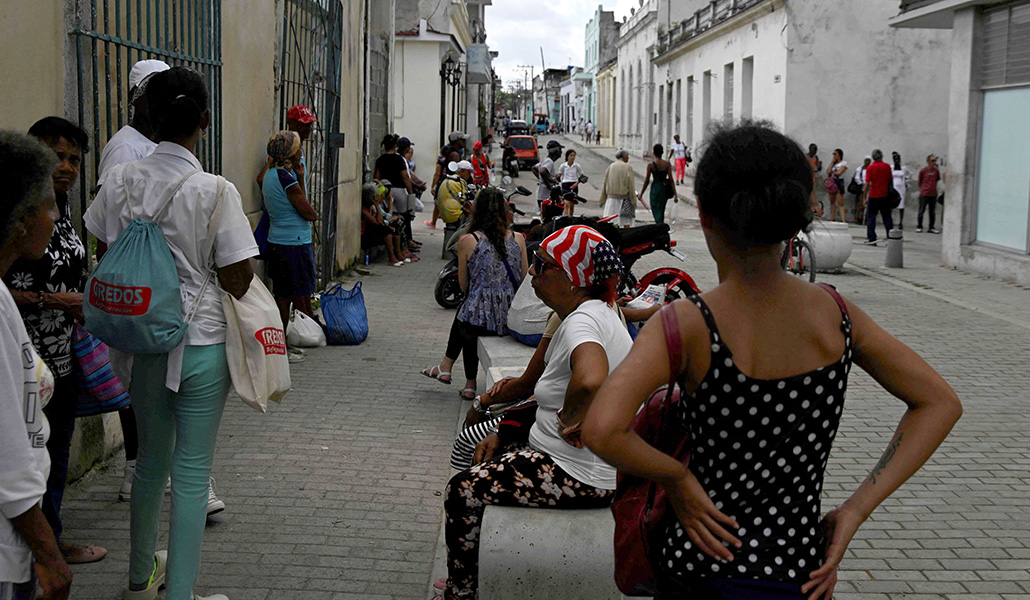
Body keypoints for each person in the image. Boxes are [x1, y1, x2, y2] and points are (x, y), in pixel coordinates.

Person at [582, 121, 962, 600]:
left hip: (701, 568)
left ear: (705, 215)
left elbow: (601, 430)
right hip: (800, 572)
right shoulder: (839, 316)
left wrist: (676, 476)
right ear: (797, 218)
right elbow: (940, 402)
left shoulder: (686, 324)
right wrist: (854, 510)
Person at [85, 66, 257, 600]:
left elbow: (103, 251)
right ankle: (180, 593)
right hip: (201, 344)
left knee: (148, 467)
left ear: (148, 117)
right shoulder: (215, 190)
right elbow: (238, 276)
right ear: (204, 119)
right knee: (190, 473)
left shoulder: (119, 180)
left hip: (140, 345)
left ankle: (139, 578)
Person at [436, 225, 632, 600]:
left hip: (577, 472)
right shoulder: (588, 312)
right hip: (569, 459)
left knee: (461, 491)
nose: (531, 273)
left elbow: (590, 378)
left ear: (574, 279)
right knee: (478, 451)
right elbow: (538, 388)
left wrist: (571, 419)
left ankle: (460, 594)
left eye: (542, 266)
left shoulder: (583, 321)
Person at [4, 118, 109, 566]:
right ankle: (35, 551)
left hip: (60, 360)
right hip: (18, 359)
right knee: (21, 456)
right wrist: (54, 300)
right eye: (56, 155)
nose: (65, 166)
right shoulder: (15, 215)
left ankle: (52, 536)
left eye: (74, 159)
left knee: (54, 455)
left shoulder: (62, 211)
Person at [0, 130, 73, 600]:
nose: (54, 215)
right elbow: (8, 453)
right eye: (48, 206)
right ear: (23, 221)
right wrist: (49, 554)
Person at [96, 59, 170, 506]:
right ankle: (140, 472)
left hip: (153, 281)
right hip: (135, 282)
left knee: (147, 382)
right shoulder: (126, 149)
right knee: (139, 382)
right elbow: (109, 223)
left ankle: (140, 470)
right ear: (140, 101)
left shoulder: (154, 144)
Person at [422, 188, 528, 399]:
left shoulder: (468, 240)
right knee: (468, 315)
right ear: (504, 209)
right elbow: (524, 279)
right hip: (509, 317)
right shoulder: (519, 238)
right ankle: (451, 371)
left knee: (467, 315)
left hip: (480, 320)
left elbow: (463, 285)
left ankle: (464, 379)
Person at [261, 130, 320, 339]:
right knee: (288, 296)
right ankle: (283, 340)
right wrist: (314, 214)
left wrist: (301, 175)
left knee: (283, 293)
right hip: (293, 242)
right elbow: (307, 211)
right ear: (290, 155)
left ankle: (284, 339)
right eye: (298, 150)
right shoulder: (286, 179)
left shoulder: (270, 174)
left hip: (277, 239)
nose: (300, 152)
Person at [97, 60, 170, 176]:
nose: (159, 99)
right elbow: (109, 192)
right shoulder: (125, 148)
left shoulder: (161, 141)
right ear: (133, 97)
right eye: (150, 92)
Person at [256, 105, 316, 189]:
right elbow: (262, 179)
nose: (308, 128)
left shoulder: (299, 149)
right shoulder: (283, 149)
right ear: (291, 124)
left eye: (310, 124)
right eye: (304, 124)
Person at [374, 134, 417, 253]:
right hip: (399, 190)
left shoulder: (380, 159)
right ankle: (404, 245)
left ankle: (392, 246)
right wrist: (410, 192)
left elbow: (377, 178)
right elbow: (405, 177)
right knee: (404, 217)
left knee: (389, 215)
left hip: (386, 191)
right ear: (395, 146)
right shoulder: (398, 159)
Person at [360, 182, 406, 266]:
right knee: (385, 231)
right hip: (365, 236)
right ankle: (392, 258)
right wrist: (377, 205)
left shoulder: (371, 207)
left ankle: (398, 254)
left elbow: (381, 220)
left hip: (373, 230)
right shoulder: (364, 210)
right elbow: (378, 222)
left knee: (394, 228)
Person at [429, 132, 468, 228]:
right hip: (449, 182)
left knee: (438, 202)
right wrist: (434, 184)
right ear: (457, 141)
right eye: (462, 140)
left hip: (444, 181)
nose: (464, 142)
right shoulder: (454, 154)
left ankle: (434, 221)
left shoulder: (450, 151)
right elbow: (438, 169)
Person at [599, 149, 641, 228]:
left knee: (611, 223)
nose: (628, 158)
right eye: (627, 156)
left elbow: (605, 184)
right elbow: (631, 185)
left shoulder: (611, 166)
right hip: (624, 200)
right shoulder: (627, 167)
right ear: (624, 156)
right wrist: (633, 201)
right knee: (626, 223)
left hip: (611, 200)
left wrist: (602, 200)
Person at [639, 144, 677, 225]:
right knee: (661, 210)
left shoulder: (650, 165)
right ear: (662, 152)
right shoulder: (667, 164)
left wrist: (641, 193)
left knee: (655, 209)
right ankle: (660, 225)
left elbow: (647, 180)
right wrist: (675, 194)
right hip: (664, 190)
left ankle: (659, 225)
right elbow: (671, 180)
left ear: (653, 153)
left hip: (655, 189)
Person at [863, 149, 894, 245]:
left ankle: (872, 239)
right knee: (887, 218)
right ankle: (891, 238)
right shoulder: (887, 167)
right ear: (881, 156)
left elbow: (867, 184)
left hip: (873, 195)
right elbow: (890, 181)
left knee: (871, 218)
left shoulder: (870, 168)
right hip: (884, 196)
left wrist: (864, 198)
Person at [532, 140, 563, 213]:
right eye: (560, 150)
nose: (561, 152)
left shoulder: (546, 160)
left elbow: (534, 168)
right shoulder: (549, 162)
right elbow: (542, 171)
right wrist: (549, 185)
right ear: (556, 151)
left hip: (542, 194)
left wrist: (543, 179)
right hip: (546, 195)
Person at [917, 155, 941, 234]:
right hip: (924, 194)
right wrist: (924, 189)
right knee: (921, 211)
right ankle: (919, 226)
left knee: (932, 212)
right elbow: (920, 181)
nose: (934, 162)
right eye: (932, 161)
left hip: (933, 194)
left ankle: (931, 227)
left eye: (935, 161)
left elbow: (937, 180)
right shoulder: (923, 171)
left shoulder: (936, 171)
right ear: (928, 161)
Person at [556, 149, 584, 216]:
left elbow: (582, 176)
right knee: (566, 202)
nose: (572, 157)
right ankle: (565, 217)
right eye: (571, 155)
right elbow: (559, 175)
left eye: (574, 156)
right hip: (565, 185)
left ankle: (570, 217)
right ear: (567, 156)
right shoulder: (563, 166)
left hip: (574, 184)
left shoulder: (577, 166)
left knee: (571, 203)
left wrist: (576, 183)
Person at [891, 152, 912, 230]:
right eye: (895, 159)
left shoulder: (903, 168)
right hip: (894, 188)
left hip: (901, 188)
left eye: (898, 159)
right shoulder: (891, 167)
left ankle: (901, 222)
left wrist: (906, 178)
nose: (897, 161)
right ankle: (891, 221)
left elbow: (910, 173)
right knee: (892, 204)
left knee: (901, 205)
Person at [825, 149, 847, 223]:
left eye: (835, 154)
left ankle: (843, 219)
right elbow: (828, 171)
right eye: (833, 154)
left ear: (839, 155)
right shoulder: (833, 164)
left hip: (838, 182)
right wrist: (832, 163)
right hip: (832, 182)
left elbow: (839, 172)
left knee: (840, 202)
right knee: (832, 201)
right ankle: (832, 217)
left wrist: (833, 172)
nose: (834, 156)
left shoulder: (843, 163)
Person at [853, 156, 872, 224]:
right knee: (860, 203)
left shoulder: (871, 168)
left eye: (868, 160)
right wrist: (862, 184)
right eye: (866, 160)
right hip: (861, 188)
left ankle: (867, 218)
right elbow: (857, 178)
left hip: (870, 188)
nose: (867, 162)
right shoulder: (860, 169)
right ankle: (859, 218)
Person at [808, 144, 823, 218]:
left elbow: (818, 168)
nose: (814, 152)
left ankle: (813, 208)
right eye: (813, 150)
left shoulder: (815, 158)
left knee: (812, 192)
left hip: (813, 176)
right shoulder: (805, 156)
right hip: (806, 175)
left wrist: (820, 165)